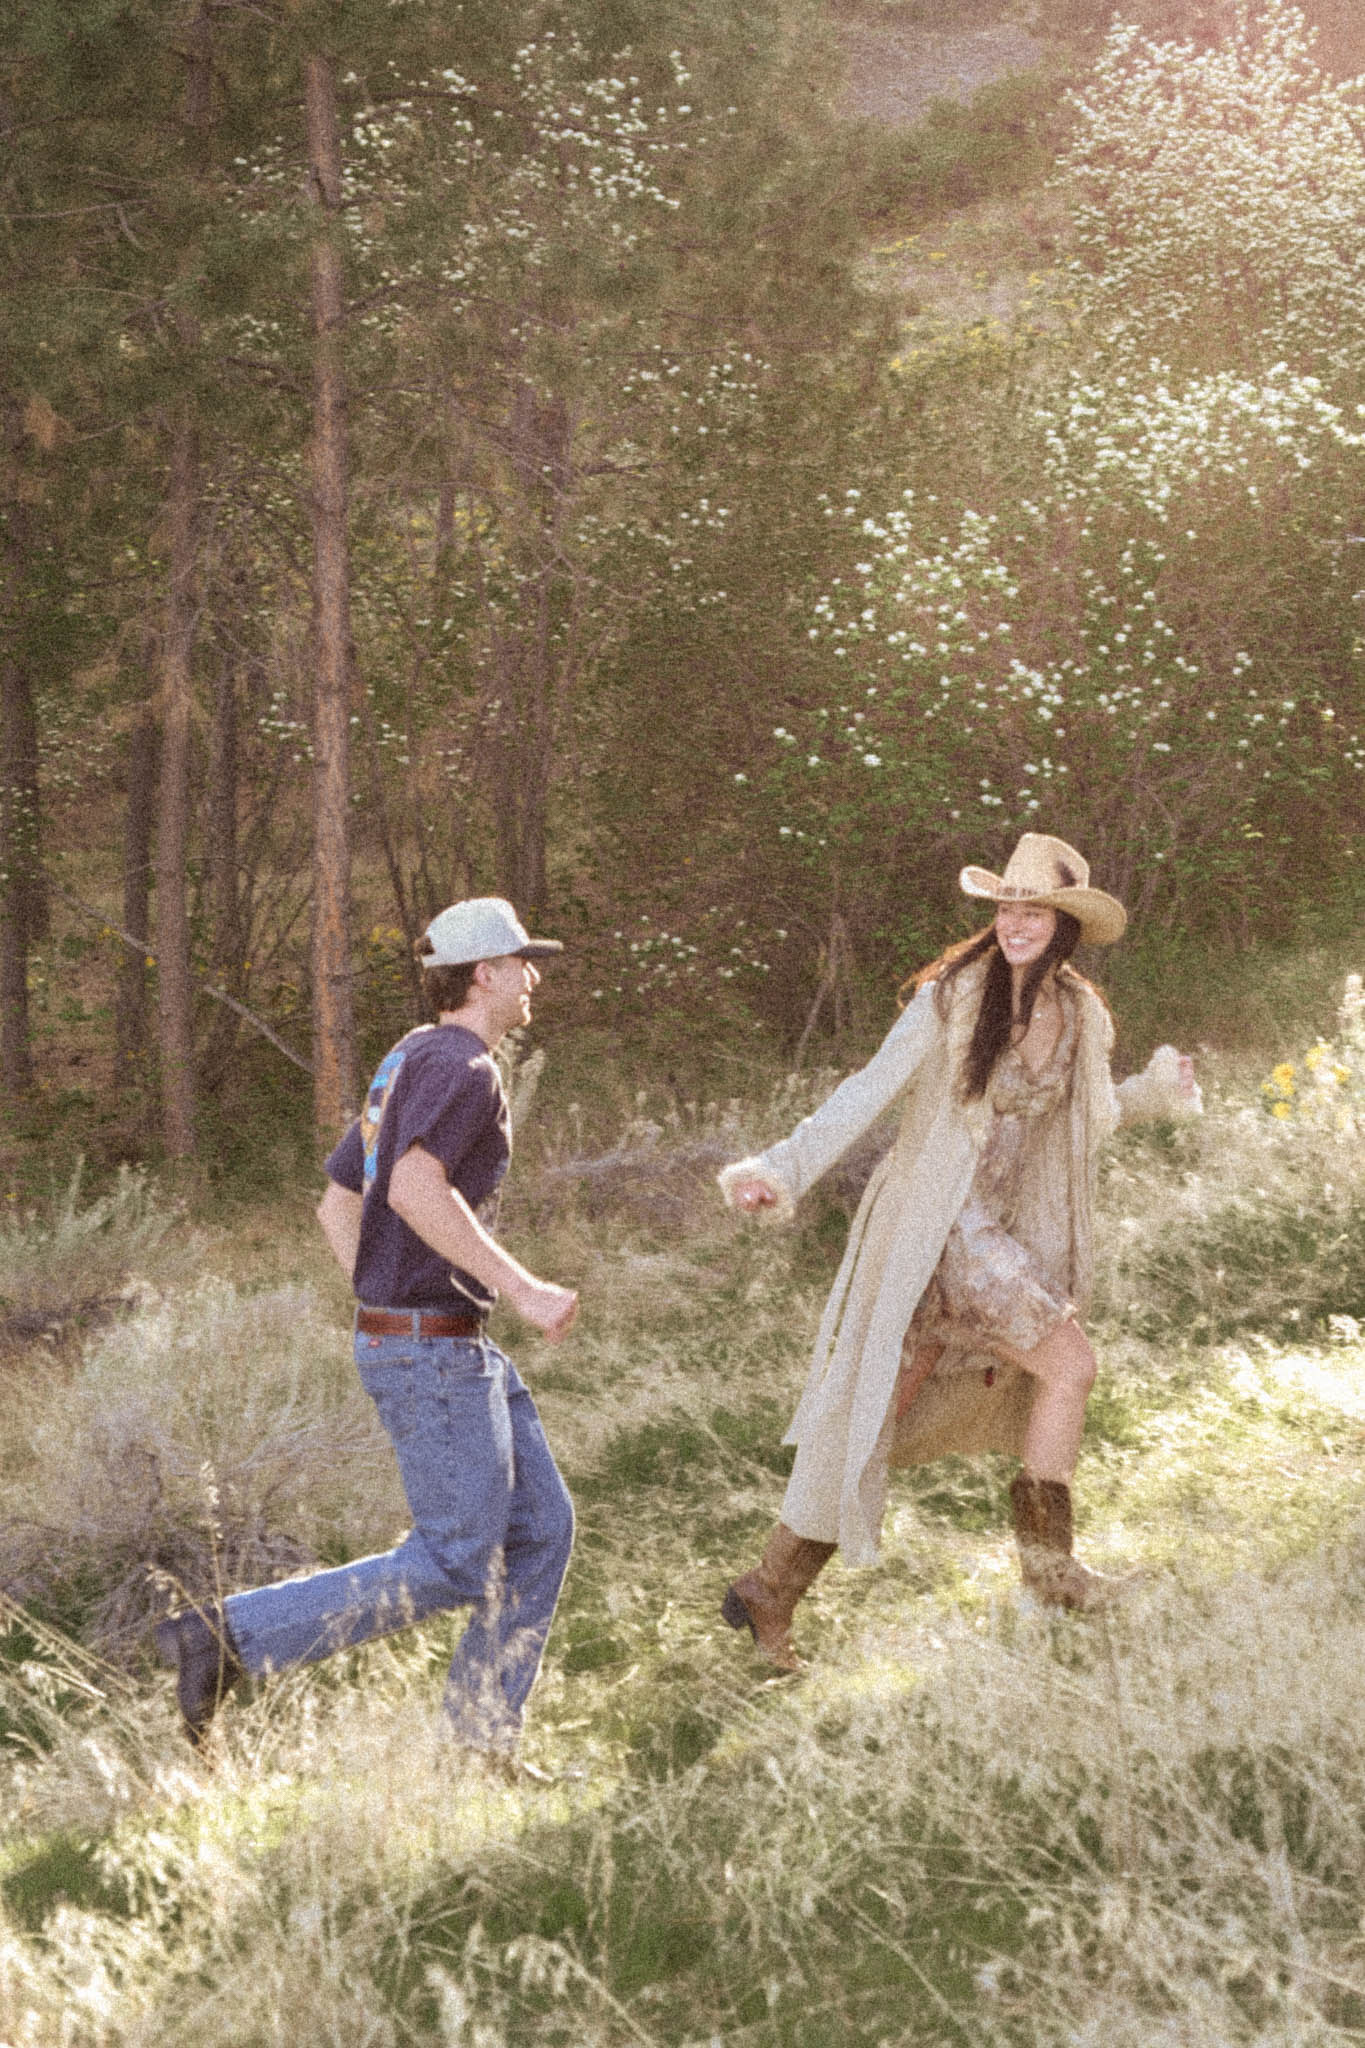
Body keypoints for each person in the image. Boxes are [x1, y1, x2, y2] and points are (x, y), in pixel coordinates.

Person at [717, 833, 1200, 1671]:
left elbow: (1090, 1118)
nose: (1014, 922)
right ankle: (1050, 1576)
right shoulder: (953, 997)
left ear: (1064, 924)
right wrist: (779, 1167)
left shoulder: (1079, 1013)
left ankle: (770, 1590)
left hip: (1001, 1236)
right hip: (936, 1235)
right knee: (1068, 1365)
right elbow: (867, 1088)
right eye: (1005, 907)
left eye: (1033, 909)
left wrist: (1159, 1092)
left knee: (874, 1417)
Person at [155, 898, 579, 1762]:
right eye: (522, 962)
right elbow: (414, 1191)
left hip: (433, 1338)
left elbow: (337, 1201)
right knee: (459, 1558)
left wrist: (387, 1295)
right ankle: (224, 1635)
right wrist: (522, 1287)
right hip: (433, 1344)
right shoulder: (464, 1068)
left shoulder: (406, 1061)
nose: (535, 977)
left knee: (539, 1532)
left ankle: (475, 1748)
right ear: (484, 975)